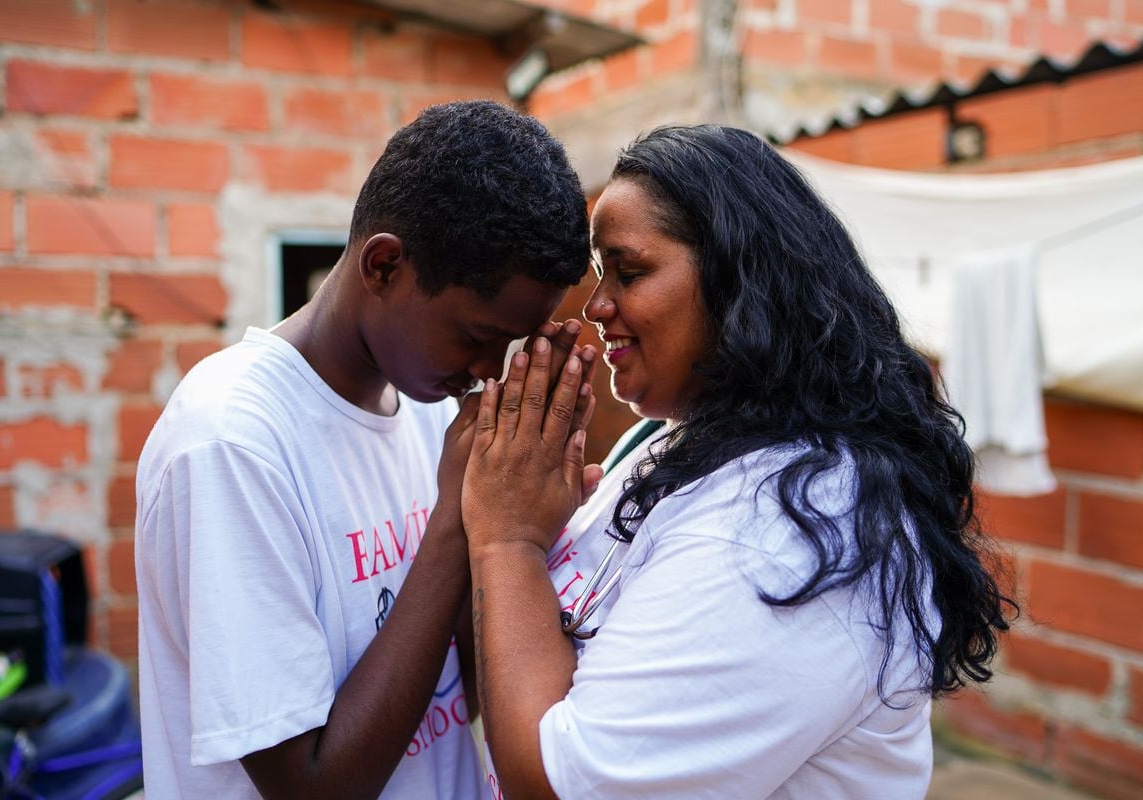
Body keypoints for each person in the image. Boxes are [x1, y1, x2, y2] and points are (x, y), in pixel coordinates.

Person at [460, 125, 1014, 799]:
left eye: (629, 273)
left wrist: (507, 541)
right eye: (600, 275)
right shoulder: (675, 444)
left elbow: (562, 783)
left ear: (741, 283)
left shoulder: (797, 527)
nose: (598, 307)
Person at [134, 100, 599, 799]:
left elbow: (445, 703)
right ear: (383, 265)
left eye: (512, 345)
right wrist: (454, 522)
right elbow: (312, 785)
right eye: (477, 337)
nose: (487, 370)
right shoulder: (233, 442)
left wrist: (518, 532)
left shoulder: (421, 408)